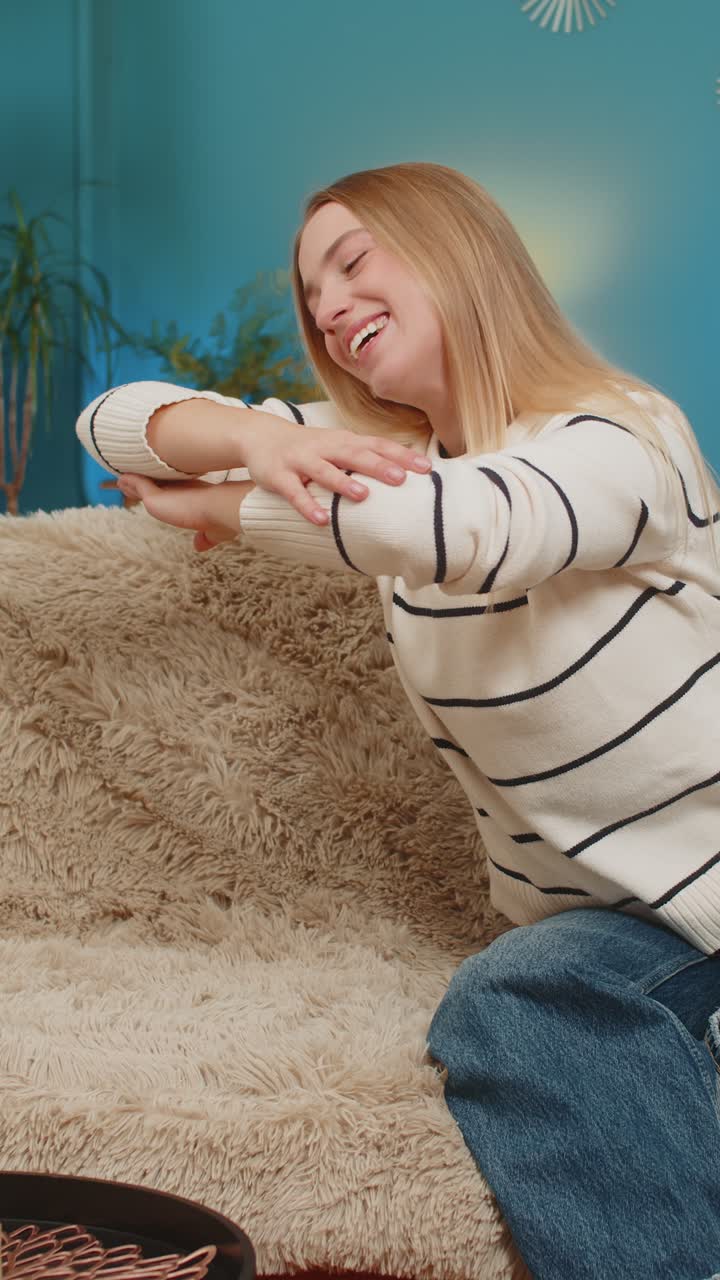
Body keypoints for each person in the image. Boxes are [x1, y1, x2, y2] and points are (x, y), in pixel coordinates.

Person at [76, 162, 720, 1280]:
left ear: (457, 254)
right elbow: (111, 425)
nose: (325, 306)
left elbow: (464, 528)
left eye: (353, 261)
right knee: (530, 983)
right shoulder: (386, 460)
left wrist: (236, 497)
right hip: (609, 926)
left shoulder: (621, 434)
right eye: (310, 289)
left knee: (514, 999)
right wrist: (255, 438)